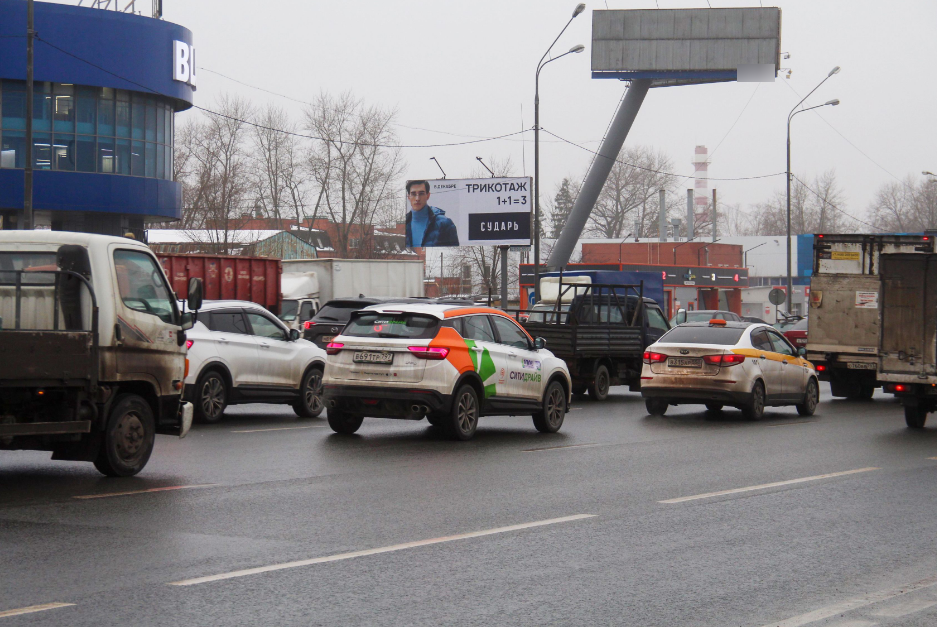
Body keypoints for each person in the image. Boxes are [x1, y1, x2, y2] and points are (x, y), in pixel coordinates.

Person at [405, 180, 459, 248]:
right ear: (408, 197)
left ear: (428, 195)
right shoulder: (403, 224)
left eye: (421, 193)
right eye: (413, 194)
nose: (417, 198)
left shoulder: (445, 224)